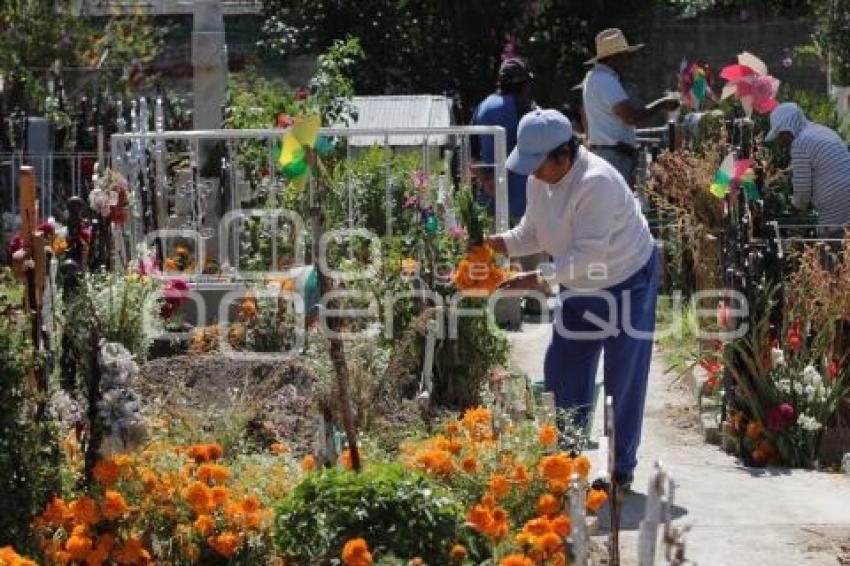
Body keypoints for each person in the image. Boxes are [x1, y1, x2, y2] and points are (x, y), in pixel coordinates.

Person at [487, 109, 658, 491]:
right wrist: (497, 244)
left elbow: (589, 257)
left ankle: (619, 469)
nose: (532, 172)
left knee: (623, 374)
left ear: (563, 156)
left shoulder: (595, 182)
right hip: (579, 284)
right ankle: (565, 459)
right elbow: (533, 232)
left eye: (538, 164)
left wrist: (535, 278)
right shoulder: (541, 181)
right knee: (563, 368)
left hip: (626, 279)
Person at [472, 57, 548, 313]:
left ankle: (503, 305)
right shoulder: (522, 108)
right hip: (520, 193)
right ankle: (535, 303)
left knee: (498, 249)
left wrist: (485, 180)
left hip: (488, 194)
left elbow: (472, 153)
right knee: (531, 247)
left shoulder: (483, 107)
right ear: (524, 85)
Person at [582, 28, 679, 183]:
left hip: (607, 152)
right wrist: (660, 104)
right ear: (614, 57)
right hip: (614, 156)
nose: (627, 60)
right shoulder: (606, 80)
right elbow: (630, 116)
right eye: (624, 56)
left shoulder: (593, 78)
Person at [765, 102, 850, 237]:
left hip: (835, 205)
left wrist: (796, 207)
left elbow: (802, 190)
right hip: (845, 197)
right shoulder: (819, 130)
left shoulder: (800, 143)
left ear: (788, 129)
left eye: (780, 135)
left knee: (832, 247)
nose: (780, 141)